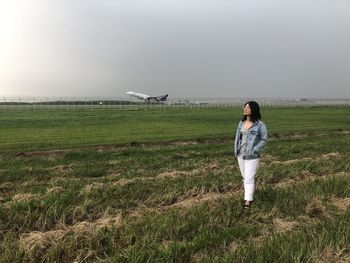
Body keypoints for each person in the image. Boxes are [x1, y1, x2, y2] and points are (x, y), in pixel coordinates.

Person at [234, 101, 268, 208]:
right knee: (245, 177)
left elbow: (264, 139)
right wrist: (236, 148)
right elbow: (237, 137)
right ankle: (248, 195)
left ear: (253, 109)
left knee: (249, 178)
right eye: (244, 107)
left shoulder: (260, 125)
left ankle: (248, 201)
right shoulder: (241, 123)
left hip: (252, 156)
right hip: (240, 154)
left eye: (247, 107)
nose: (245, 109)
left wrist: (255, 149)